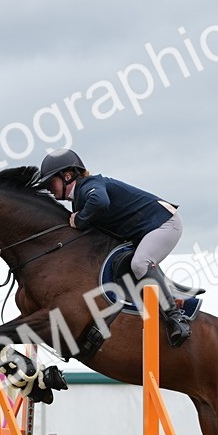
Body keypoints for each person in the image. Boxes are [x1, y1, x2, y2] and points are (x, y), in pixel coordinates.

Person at [36, 148, 192, 347]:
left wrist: (80, 220)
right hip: (145, 230)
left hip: (164, 224)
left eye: (51, 182)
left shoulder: (89, 186)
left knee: (139, 264)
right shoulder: (79, 199)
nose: (50, 188)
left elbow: (100, 201)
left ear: (67, 176)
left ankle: (175, 317)